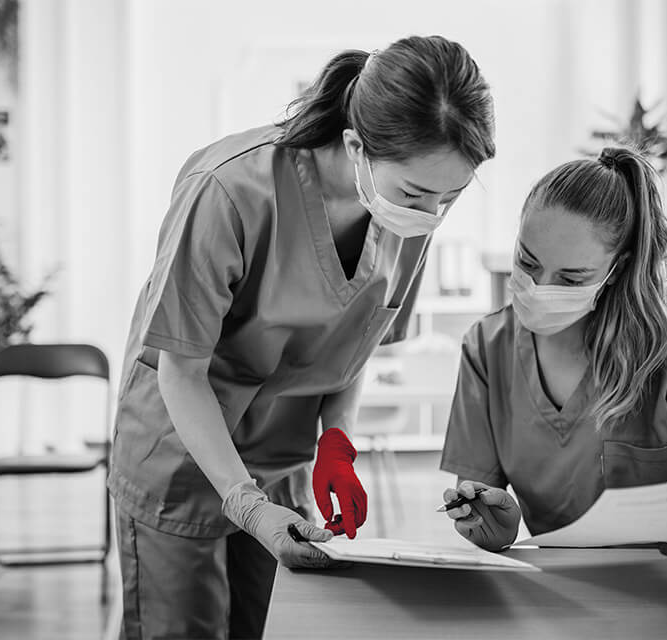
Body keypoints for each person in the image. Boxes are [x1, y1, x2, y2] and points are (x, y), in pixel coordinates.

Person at [109, 35, 495, 639]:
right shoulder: (229, 191)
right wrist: (244, 502)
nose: (434, 214)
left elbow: (355, 346)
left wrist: (337, 444)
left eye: (453, 196)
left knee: (279, 628)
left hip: (283, 467)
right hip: (182, 458)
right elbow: (179, 371)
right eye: (420, 195)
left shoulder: (411, 214)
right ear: (355, 145)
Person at [440, 146, 667, 581]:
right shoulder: (487, 348)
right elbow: (482, 501)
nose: (538, 288)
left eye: (571, 279)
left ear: (617, 269)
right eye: (527, 262)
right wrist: (495, 528)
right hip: (560, 598)